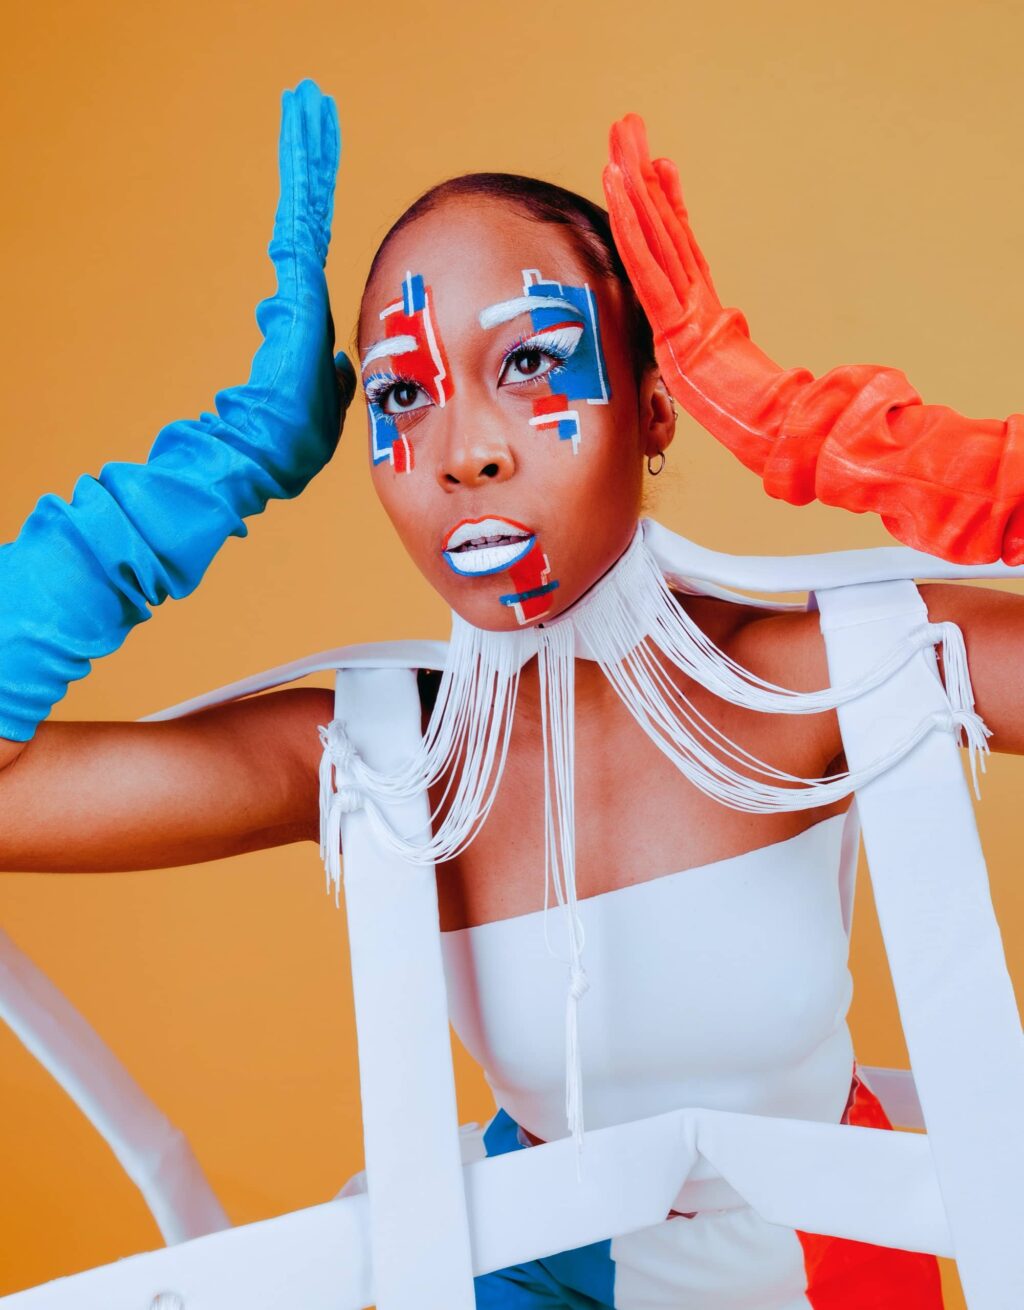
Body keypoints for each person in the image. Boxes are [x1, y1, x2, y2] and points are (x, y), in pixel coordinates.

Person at [3, 79, 1023, 1307]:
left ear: (655, 408)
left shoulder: (814, 672)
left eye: (531, 360)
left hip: (841, 1254)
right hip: (526, 1274)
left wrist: (832, 434)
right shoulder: (385, 754)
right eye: (403, 393)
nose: (465, 451)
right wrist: (222, 463)